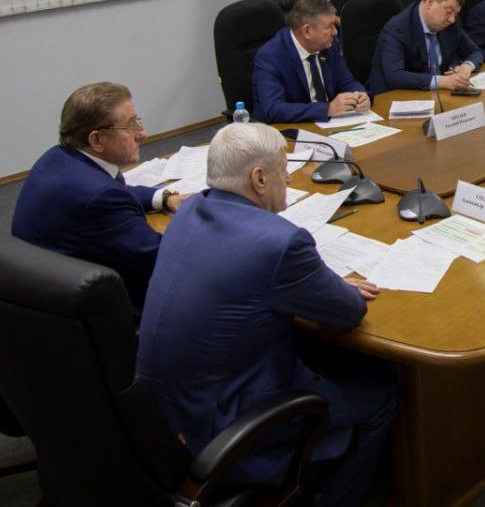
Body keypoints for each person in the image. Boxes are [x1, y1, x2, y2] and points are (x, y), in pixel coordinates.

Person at [136, 123, 395, 504]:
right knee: (381, 393)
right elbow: (348, 313)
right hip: (226, 428)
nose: (288, 178)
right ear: (258, 178)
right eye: (283, 169)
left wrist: (310, 281)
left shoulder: (189, 210)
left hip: (165, 414)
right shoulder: (281, 243)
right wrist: (328, 284)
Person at [11, 83, 182, 310]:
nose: (142, 134)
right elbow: (163, 258)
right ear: (97, 140)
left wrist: (165, 197)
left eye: (137, 122)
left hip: (42, 291)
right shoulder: (99, 198)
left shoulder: (58, 158)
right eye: (130, 126)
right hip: (104, 309)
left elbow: (114, 191)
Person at [252, 0, 370, 124]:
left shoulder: (329, 45)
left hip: (330, 125)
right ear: (307, 31)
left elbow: (346, 81)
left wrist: (360, 95)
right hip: (289, 129)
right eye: (329, 26)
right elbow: (274, 109)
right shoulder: (270, 56)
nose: (335, 32)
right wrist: (327, 109)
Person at [367, 0, 483, 94]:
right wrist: (442, 81)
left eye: (456, 14)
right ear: (430, 2)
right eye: (448, 12)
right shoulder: (397, 28)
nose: (452, 19)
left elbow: (475, 52)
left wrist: (466, 66)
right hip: (395, 96)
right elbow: (395, 76)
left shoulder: (451, 24)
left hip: (436, 94)